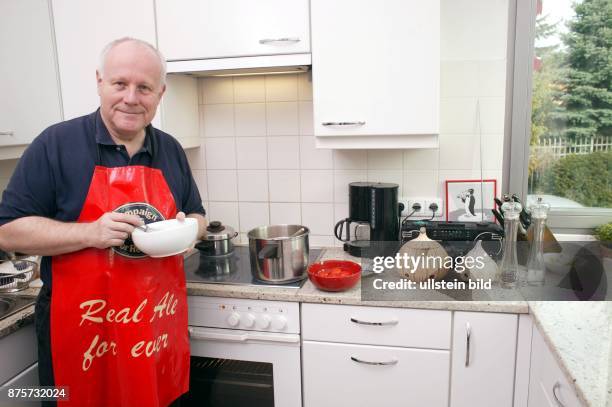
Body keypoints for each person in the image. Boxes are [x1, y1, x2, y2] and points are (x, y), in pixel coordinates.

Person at [0, 37, 206, 407]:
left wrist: (189, 230)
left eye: (144, 87)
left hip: (152, 328)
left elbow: (197, 214)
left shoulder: (171, 149)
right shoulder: (55, 144)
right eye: (120, 84)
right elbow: (8, 230)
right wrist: (90, 233)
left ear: (160, 93)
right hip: (78, 334)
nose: (131, 97)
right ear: (99, 82)